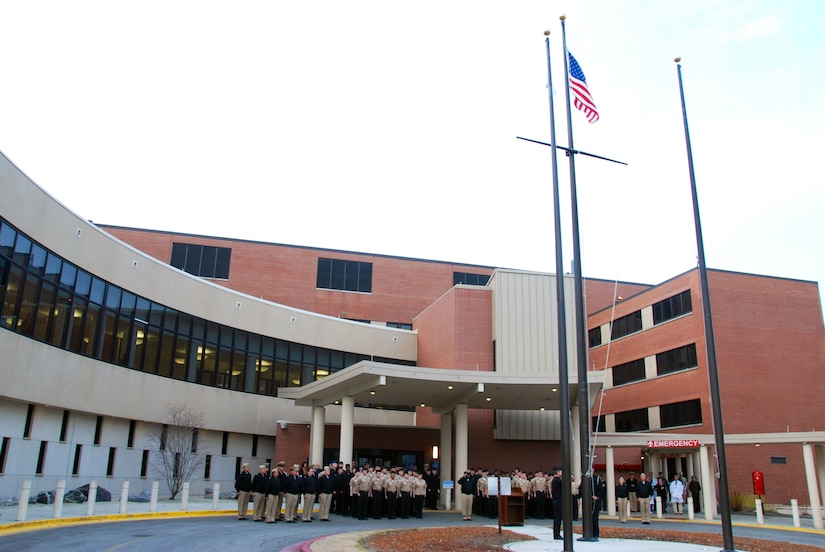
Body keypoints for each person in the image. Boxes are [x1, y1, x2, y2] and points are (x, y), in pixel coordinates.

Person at [591, 472, 607, 539]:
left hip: (595, 501)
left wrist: (597, 496)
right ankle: (588, 532)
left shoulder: (597, 478)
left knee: (595, 518)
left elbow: (601, 489)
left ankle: (595, 534)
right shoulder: (585, 478)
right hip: (588, 501)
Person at [550, 469, 564, 540]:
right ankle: (556, 534)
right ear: (558, 472)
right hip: (558, 500)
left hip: (557, 500)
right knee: (558, 518)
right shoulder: (557, 480)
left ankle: (557, 534)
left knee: (558, 518)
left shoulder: (556, 480)